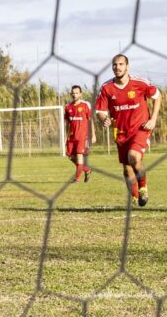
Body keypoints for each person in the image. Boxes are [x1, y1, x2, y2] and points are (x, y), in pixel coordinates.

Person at [95, 54, 160, 206]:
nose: (117, 67)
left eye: (121, 64)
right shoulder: (106, 88)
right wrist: (103, 119)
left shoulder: (140, 83)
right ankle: (136, 196)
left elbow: (158, 96)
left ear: (127, 67)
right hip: (121, 132)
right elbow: (100, 110)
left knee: (134, 157)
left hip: (140, 129)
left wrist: (153, 119)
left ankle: (143, 187)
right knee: (127, 169)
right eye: (114, 65)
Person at [63, 85, 96, 183]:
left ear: (80, 94)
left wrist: (93, 135)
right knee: (70, 156)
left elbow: (90, 121)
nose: (74, 95)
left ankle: (76, 178)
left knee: (79, 155)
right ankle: (87, 169)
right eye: (73, 93)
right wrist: (66, 136)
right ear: (71, 94)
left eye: (77, 93)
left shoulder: (85, 105)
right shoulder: (68, 107)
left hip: (82, 137)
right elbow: (67, 124)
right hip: (72, 137)